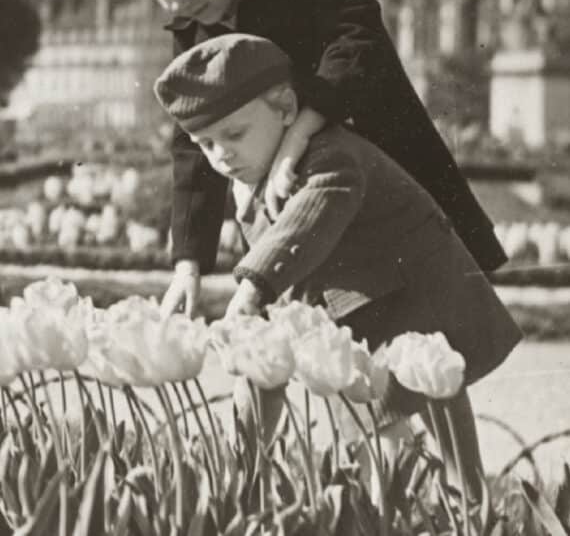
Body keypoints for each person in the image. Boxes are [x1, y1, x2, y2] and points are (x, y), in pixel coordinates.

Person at [102, 0, 507, 319]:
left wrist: (298, 134)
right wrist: (188, 265)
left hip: (387, 185)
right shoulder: (195, 24)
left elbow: (359, 48)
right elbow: (192, 142)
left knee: (418, 340)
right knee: (334, 343)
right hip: (307, 212)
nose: (177, 4)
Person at [153, 33, 521, 500]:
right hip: (362, 302)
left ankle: (457, 501)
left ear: (287, 109)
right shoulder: (253, 176)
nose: (221, 154)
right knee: (374, 412)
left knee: (421, 392)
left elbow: (306, 224)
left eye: (234, 134)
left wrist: (250, 292)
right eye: (205, 144)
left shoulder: (330, 153)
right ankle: (407, 500)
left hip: (413, 287)